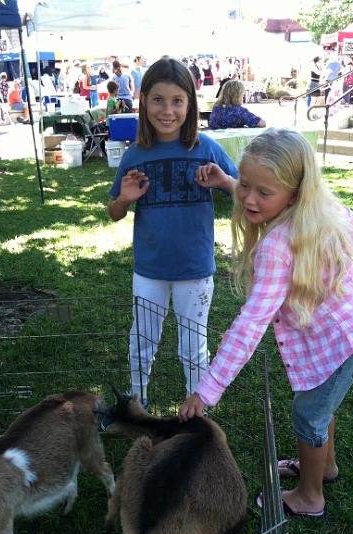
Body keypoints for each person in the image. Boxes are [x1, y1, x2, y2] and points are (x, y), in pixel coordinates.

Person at [178, 128, 353, 518]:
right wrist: (229, 183)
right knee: (320, 402)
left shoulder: (278, 245)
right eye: (246, 187)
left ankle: (310, 497)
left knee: (308, 413)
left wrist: (207, 390)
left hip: (346, 339)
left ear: (293, 193)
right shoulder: (321, 211)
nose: (249, 199)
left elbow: (251, 323)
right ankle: (324, 467)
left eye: (264, 192)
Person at [107, 57, 238, 408]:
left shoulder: (206, 147)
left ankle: (197, 412)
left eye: (177, 101)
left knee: (193, 344)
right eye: (158, 100)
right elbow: (113, 212)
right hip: (149, 269)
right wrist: (124, 198)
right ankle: (138, 403)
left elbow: (242, 190)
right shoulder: (135, 154)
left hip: (194, 270)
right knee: (142, 339)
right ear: (144, 100)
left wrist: (224, 182)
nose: (167, 110)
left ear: (190, 104)